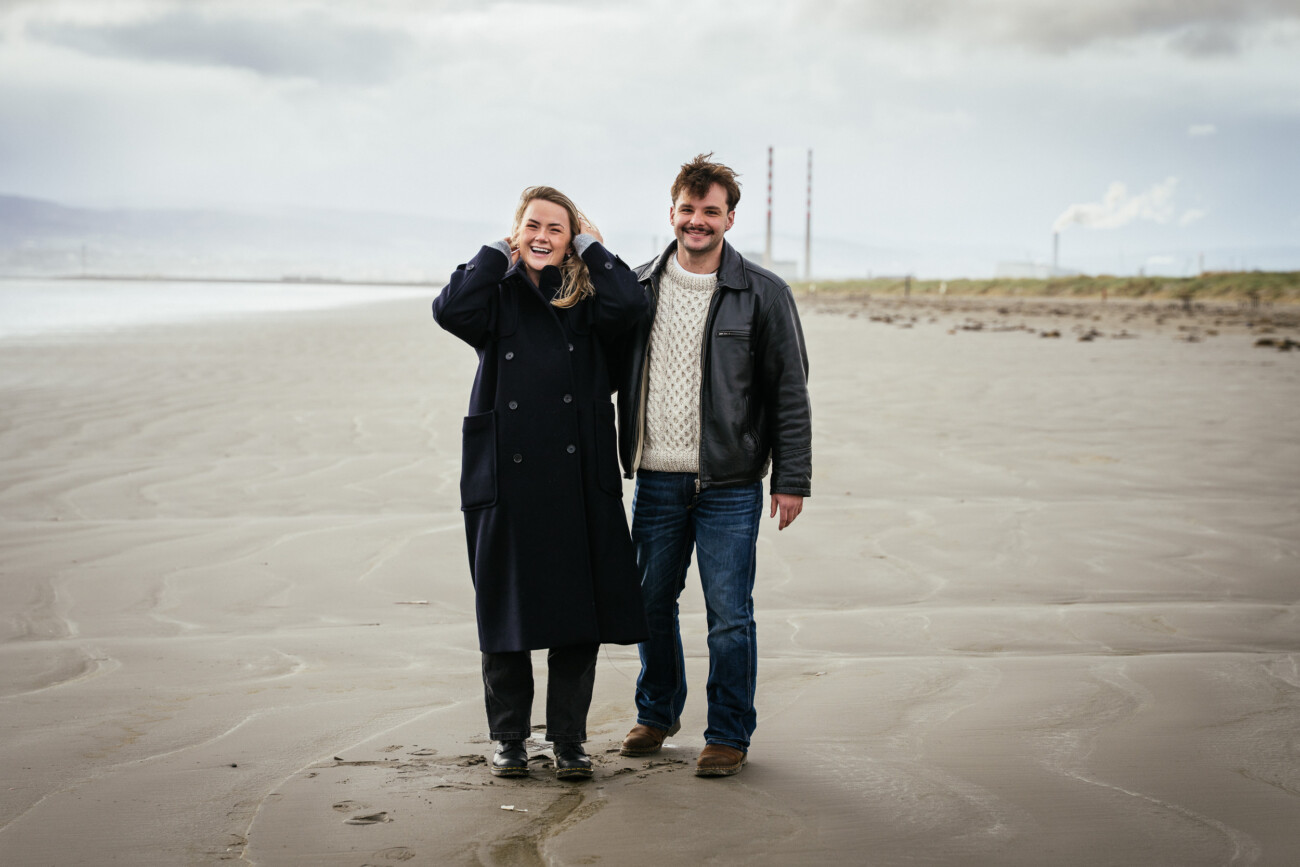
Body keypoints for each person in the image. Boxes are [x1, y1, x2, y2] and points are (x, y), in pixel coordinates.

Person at [433, 186, 649, 781]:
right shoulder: (495, 295)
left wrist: (593, 249)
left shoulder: (588, 295)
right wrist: (494, 253)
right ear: (516, 231)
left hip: (578, 476)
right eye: (533, 226)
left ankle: (570, 741)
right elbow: (448, 309)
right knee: (505, 614)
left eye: (558, 228)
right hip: (506, 474)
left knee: (578, 614)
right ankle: (508, 739)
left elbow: (633, 305)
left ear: (573, 237)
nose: (543, 237)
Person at [614, 154, 812, 777]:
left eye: (710, 211)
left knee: (729, 615)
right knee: (648, 604)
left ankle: (727, 733)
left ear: (729, 217)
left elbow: (790, 391)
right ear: (671, 213)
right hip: (656, 478)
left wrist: (791, 480)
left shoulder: (764, 293)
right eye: (687, 210)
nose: (697, 221)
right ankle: (658, 711)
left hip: (729, 483)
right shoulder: (638, 287)